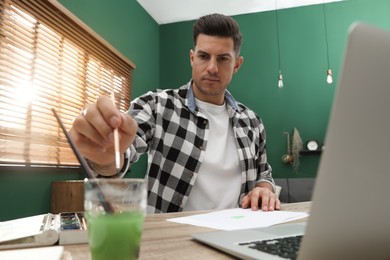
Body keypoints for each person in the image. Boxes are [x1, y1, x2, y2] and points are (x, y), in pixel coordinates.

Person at [70, 13, 280, 214]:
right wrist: (106, 158)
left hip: (237, 234)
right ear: (192, 58)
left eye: (223, 59)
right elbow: (123, 151)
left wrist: (264, 188)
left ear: (237, 65)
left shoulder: (252, 121)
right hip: (173, 237)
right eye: (204, 56)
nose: (212, 68)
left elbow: (264, 172)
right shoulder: (156, 105)